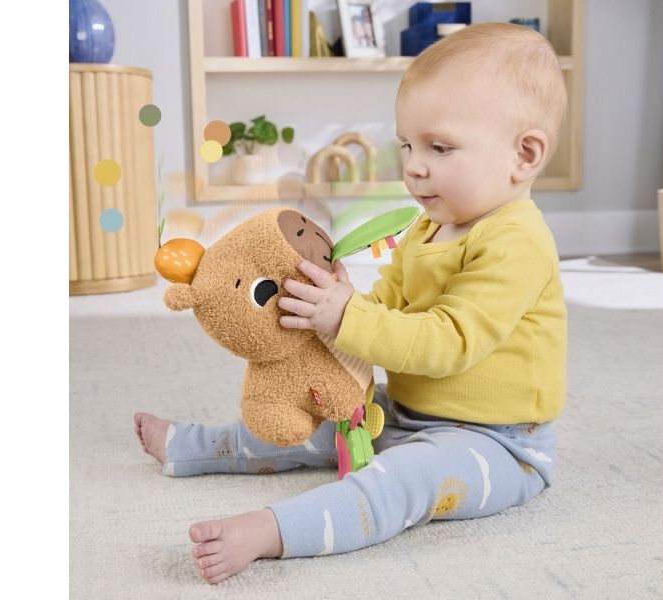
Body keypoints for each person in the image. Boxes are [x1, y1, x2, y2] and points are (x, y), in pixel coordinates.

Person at [135, 22, 568, 585]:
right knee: (309, 414)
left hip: (498, 442)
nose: (414, 166)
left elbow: (449, 342)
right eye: (408, 145)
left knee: (402, 482)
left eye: (439, 147)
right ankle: (191, 446)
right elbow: (387, 306)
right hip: (408, 412)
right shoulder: (429, 226)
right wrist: (334, 306)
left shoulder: (517, 242)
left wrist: (348, 317)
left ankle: (273, 531)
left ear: (524, 154)